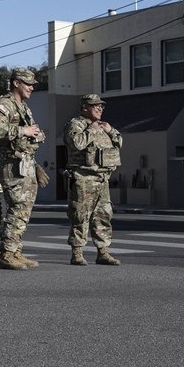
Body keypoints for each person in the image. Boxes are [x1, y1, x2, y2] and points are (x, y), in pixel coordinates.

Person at [0, 68, 46, 270]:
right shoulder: (5, 104)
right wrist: (24, 130)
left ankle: (15, 252)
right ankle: (6, 254)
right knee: (17, 208)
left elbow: (29, 135)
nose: (31, 87)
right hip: (12, 165)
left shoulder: (24, 107)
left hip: (26, 164)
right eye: (27, 83)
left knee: (24, 211)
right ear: (16, 83)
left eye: (32, 85)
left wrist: (36, 136)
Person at [63, 94, 122, 266]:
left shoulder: (104, 126)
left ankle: (103, 252)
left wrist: (110, 130)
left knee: (103, 216)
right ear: (85, 107)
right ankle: (77, 253)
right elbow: (76, 143)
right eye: (95, 106)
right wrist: (92, 128)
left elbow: (119, 143)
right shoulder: (75, 125)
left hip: (102, 179)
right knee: (80, 215)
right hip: (83, 178)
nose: (99, 109)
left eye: (101, 107)